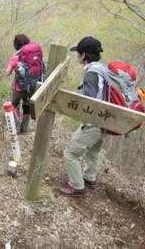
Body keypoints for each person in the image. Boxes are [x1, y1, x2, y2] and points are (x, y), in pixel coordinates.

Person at [59, 36, 107, 197]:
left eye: (78, 53)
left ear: (84, 55)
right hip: (106, 121)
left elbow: (89, 101)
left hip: (93, 122)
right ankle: (89, 177)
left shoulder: (91, 73)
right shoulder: (103, 70)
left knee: (70, 154)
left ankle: (77, 186)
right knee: (93, 152)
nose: (77, 56)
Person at [5, 34, 44, 134]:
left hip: (18, 87)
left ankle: (16, 129)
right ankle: (24, 130)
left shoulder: (16, 57)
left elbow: (7, 73)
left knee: (15, 105)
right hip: (32, 86)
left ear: (16, 45)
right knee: (26, 106)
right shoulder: (35, 54)